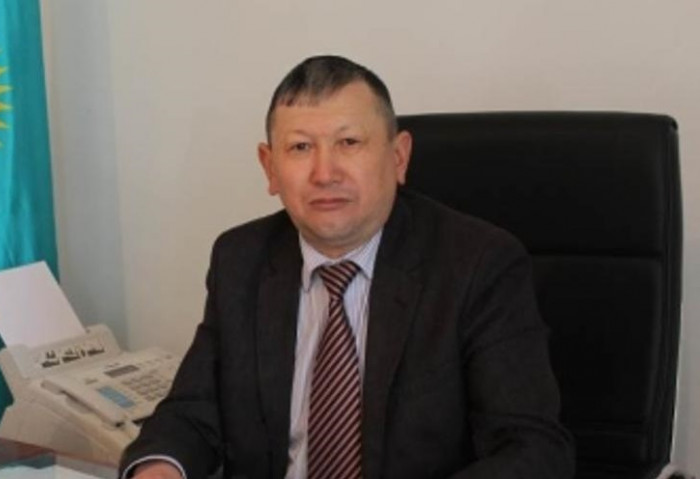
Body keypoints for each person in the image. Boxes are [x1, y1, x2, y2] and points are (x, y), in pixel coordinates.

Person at [120, 55, 575, 479]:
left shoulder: (477, 264)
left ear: (398, 157)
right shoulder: (241, 259)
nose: (325, 173)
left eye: (349, 142)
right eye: (300, 147)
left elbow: (532, 449)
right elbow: (192, 413)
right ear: (270, 167)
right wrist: (158, 468)